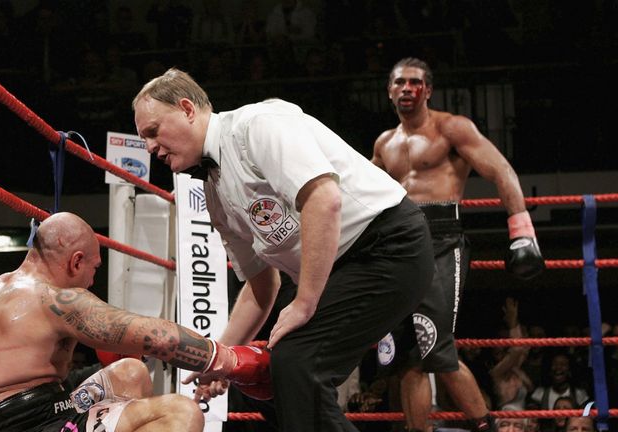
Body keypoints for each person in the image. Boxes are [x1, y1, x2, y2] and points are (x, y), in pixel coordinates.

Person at [133, 68, 434, 432]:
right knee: (269, 381)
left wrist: (305, 303)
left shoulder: (258, 125)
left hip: (387, 246)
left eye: (153, 131)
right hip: (343, 269)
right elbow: (262, 286)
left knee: (296, 364)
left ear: (187, 109)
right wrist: (217, 357)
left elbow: (324, 199)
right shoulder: (214, 194)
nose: (149, 147)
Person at [0, 212, 270, 432]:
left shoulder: (3, 284)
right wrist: (228, 360)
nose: (92, 281)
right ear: (76, 261)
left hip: (36, 412)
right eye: (94, 268)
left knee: (129, 373)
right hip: (26, 425)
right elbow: (156, 337)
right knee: (182, 412)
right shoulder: (53, 299)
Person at [370, 57, 545, 432]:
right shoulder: (384, 143)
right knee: (406, 357)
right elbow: (365, 198)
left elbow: (501, 170)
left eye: (415, 82)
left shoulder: (452, 128)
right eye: (399, 82)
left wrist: (521, 229)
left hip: (441, 239)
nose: (406, 89)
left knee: (436, 346)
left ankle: (486, 426)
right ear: (389, 90)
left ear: (428, 90)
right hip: (395, 244)